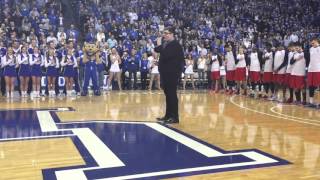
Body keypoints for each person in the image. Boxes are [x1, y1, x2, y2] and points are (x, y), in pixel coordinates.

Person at [154, 27, 184, 124]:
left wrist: (160, 44)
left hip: (172, 74)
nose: (164, 35)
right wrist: (160, 44)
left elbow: (166, 55)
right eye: (164, 33)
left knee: (172, 95)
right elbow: (156, 49)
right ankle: (168, 115)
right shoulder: (166, 44)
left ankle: (175, 117)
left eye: (166, 33)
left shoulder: (175, 45)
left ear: (172, 34)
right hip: (165, 74)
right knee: (168, 96)